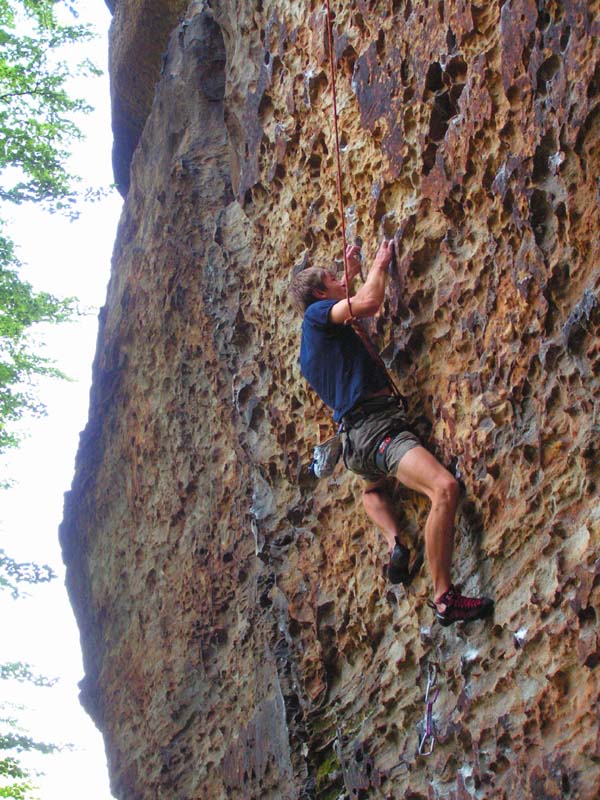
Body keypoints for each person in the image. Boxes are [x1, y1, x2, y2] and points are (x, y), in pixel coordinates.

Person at [290, 239, 493, 626]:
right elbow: (366, 303)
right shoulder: (318, 315)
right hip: (378, 428)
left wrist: (347, 274)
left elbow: (343, 300)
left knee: (373, 490)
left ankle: (395, 540)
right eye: (334, 279)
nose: (341, 282)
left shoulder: (308, 348)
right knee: (444, 489)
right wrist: (380, 265)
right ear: (319, 295)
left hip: (354, 445)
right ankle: (444, 596)